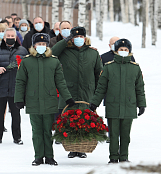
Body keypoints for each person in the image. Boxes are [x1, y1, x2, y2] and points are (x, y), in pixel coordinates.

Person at [14, 33, 75, 166]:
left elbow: (61, 82)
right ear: (34, 45)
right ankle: (38, 156)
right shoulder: (26, 61)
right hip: (33, 101)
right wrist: (19, 99)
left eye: (43, 44)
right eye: (38, 44)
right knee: (36, 130)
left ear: (47, 45)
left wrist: (68, 98)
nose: (41, 46)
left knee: (47, 130)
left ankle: (49, 156)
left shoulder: (54, 61)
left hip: (49, 100)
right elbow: (20, 82)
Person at [89, 38, 146, 163]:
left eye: (126, 50)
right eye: (121, 49)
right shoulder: (109, 67)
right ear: (116, 51)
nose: (123, 51)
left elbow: (139, 88)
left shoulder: (135, 68)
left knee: (126, 134)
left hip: (129, 105)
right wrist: (94, 103)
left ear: (129, 51)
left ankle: (124, 156)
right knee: (114, 134)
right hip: (113, 105)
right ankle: (113, 157)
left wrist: (141, 104)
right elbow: (101, 88)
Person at [52, 26, 103, 159]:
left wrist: (97, 95)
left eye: (81, 37)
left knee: (84, 120)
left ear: (85, 38)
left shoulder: (93, 53)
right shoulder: (65, 51)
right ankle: (71, 148)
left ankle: (82, 148)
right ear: (71, 39)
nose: (78, 39)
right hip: (69, 92)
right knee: (70, 120)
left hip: (87, 93)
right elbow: (52, 53)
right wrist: (64, 41)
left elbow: (99, 75)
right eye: (75, 37)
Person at [0, 28, 28, 145]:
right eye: (7, 35)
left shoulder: (22, 51)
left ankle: (17, 137)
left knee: (16, 114)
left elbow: (28, 67)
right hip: (0, 86)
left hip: (16, 87)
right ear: (3, 37)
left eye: (12, 36)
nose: (10, 38)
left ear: (15, 37)